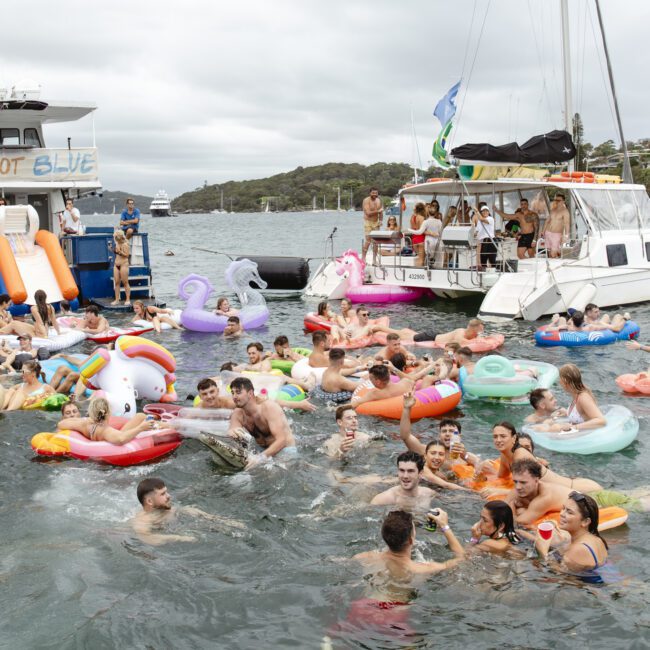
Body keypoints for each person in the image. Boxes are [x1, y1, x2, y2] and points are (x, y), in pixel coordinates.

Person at [479, 421, 603, 495]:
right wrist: (483, 474)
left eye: (502, 436)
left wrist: (501, 492)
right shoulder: (505, 455)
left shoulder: (520, 457)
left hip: (580, 489)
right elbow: (501, 477)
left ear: (514, 438)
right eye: (495, 437)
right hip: (567, 487)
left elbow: (531, 491)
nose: (498, 440)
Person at [132, 478, 244, 546]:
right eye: (163, 494)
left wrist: (225, 521)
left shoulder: (165, 508)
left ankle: (228, 525)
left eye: (166, 492)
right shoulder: (143, 522)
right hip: (171, 535)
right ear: (150, 501)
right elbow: (148, 539)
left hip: (175, 524)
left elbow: (181, 511)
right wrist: (180, 538)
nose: (169, 496)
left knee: (190, 511)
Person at [353, 509, 465, 575]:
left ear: (384, 536)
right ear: (411, 539)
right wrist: (445, 527)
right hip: (393, 612)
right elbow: (462, 560)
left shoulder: (364, 557)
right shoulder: (422, 569)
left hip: (362, 605)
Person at [226, 377, 296, 469]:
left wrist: (260, 458)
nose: (234, 397)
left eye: (238, 392)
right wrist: (232, 432)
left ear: (250, 393)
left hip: (284, 449)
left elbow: (281, 440)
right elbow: (233, 429)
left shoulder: (269, 408)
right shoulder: (238, 413)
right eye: (232, 393)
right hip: (261, 449)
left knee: (272, 473)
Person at [534, 492, 608, 576]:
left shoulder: (578, 549)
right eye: (563, 508)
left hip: (588, 587)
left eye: (569, 512)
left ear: (585, 522)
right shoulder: (597, 539)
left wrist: (542, 552)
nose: (562, 514)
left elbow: (563, 579)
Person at [399, 395, 478, 470]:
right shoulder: (428, 452)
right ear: (439, 435)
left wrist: (465, 457)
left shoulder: (468, 457)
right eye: (444, 431)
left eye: (451, 431)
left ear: (459, 436)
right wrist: (406, 409)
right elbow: (406, 436)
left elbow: (482, 470)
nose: (447, 434)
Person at [58, 396, 156, 444]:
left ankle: (159, 423)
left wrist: (88, 419)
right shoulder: (105, 430)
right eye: (68, 413)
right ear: (108, 412)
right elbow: (121, 439)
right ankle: (163, 426)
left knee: (139, 416)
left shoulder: (84, 424)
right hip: (112, 440)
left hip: (103, 435)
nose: (72, 415)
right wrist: (140, 428)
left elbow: (61, 424)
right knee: (140, 416)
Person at [541, 364, 606, 432]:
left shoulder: (583, 397)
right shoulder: (577, 395)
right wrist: (567, 412)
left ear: (565, 381)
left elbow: (601, 421)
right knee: (546, 425)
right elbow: (582, 415)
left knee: (553, 428)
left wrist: (574, 427)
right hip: (578, 434)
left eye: (560, 378)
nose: (559, 382)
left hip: (585, 436)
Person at [370, 451, 436, 509]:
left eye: (410, 471)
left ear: (420, 473)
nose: (405, 476)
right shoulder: (383, 500)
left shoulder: (429, 494)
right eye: (402, 470)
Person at [371, 317, 487, 346]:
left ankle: (405, 331)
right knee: (403, 336)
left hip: (436, 334)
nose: (483, 330)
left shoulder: (474, 333)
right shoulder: (460, 332)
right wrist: (478, 341)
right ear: (475, 328)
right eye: (481, 328)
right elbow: (460, 341)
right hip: (430, 337)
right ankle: (381, 328)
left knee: (408, 334)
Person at [541, 194, 570, 258]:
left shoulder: (565, 212)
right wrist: (543, 231)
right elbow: (547, 221)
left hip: (556, 234)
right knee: (549, 254)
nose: (557, 201)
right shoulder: (553, 210)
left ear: (563, 201)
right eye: (556, 200)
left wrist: (566, 235)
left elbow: (567, 223)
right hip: (548, 233)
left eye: (559, 200)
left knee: (553, 254)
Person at [361, 187, 383, 259]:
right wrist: (378, 211)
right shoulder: (366, 200)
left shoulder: (379, 200)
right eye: (373, 193)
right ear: (370, 193)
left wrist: (380, 220)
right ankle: (363, 258)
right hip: (368, 222)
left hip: (376, 222)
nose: (375, 194)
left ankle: (374, 260)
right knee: (368, 240)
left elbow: (381, 212)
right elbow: (368, 213)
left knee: (376, 242)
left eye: (376, 193)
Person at [111, 230, 131, 306]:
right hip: (116, 264)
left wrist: (119, 252)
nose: (115, 239)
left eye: (115, 237)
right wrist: (114, 250)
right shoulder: (117, 243)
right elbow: (117, 252)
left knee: (125, 282)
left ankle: (128, 299)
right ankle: (116, 299)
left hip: (124, 264)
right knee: (116, 282)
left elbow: (127, 255)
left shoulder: (125, 244)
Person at [473, 206, 496, 270]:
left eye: (486, 211)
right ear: (481, 212)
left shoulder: (491, 219)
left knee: (492, 259)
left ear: (488, 212)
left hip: (490, 241)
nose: (485, 212)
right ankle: (484, 273)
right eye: (483, 211)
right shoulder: (479, 222)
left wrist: (477, 211)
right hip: (483, 242)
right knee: (483, 260)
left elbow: (482, 219)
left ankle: (493, 272)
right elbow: (476, 232)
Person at [406, 202, 427, 267]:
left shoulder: (412, 217)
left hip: (414, 239)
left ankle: (417, 271)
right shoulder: (422, 218)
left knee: (418, 257)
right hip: (421, 239)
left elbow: (412, 228)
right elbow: (422, 230)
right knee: (421, 260)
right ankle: (420, 273)